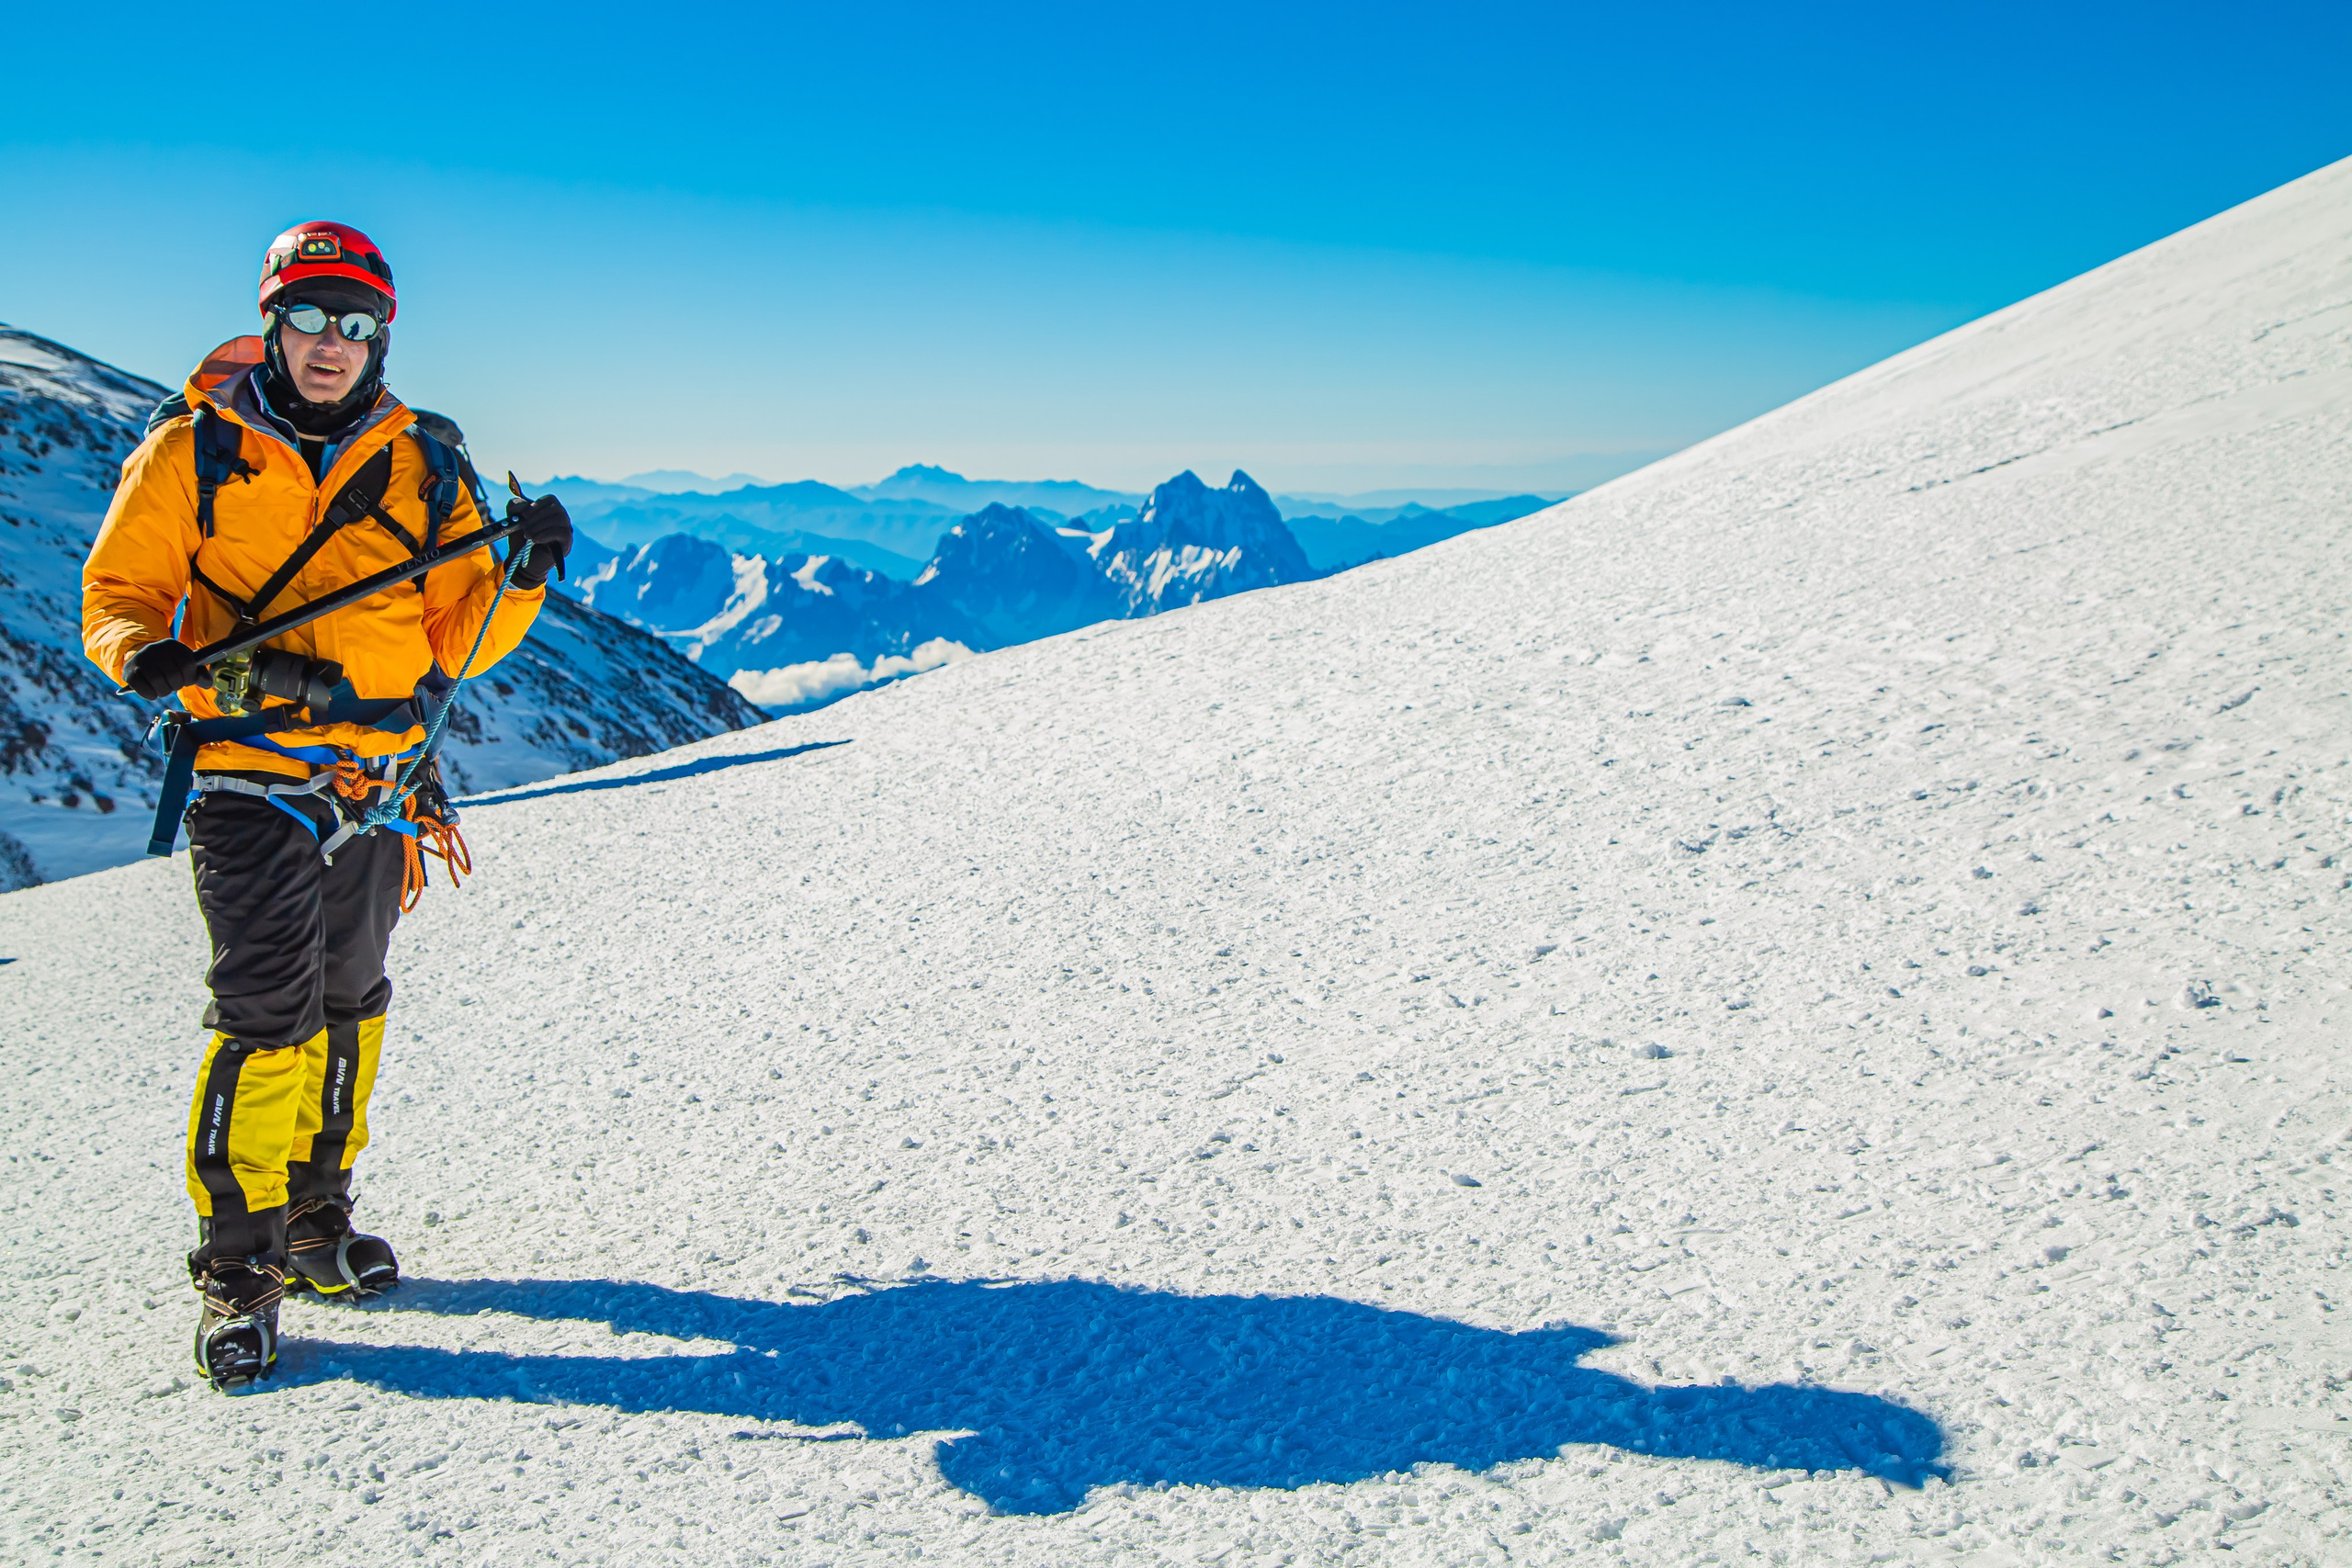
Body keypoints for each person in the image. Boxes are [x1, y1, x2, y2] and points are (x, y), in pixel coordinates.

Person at [81, 221, 575, 1392]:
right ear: (271, 323)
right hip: (248, 772)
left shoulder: (425, 463)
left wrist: (523, 578)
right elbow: (120, 596)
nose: (330, 342)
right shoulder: (196, 450)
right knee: (268, 1010)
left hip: (380, 784)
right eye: (307, 315)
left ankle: (315, 1219)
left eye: (355, 322)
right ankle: (238, 1266)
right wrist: (152, 657)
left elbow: (455, 637)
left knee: (350, 1001)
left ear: (381, 337)